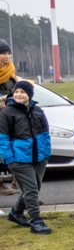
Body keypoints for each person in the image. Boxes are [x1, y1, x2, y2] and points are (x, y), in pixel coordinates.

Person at [0, 80, 53, 234]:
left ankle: (15, 213)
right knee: (31, 190)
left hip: (39, 157)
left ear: (29, 95)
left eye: (22, 92)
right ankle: (36, 221)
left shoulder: (37, 111)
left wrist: (46, 154)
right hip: (19, 159)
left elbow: (45, 134)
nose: (18, 94)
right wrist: (10, 158)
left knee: (34, 188)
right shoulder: (7, 113)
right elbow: (2, 139)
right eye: (16, 92)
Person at [0, 40, 19, 195]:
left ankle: (17, 179)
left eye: (8, 53)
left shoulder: (11, 71)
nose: (7, 57)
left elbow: (15, 92)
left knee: (15, 146)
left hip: (11, 115)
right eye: (3, 53)